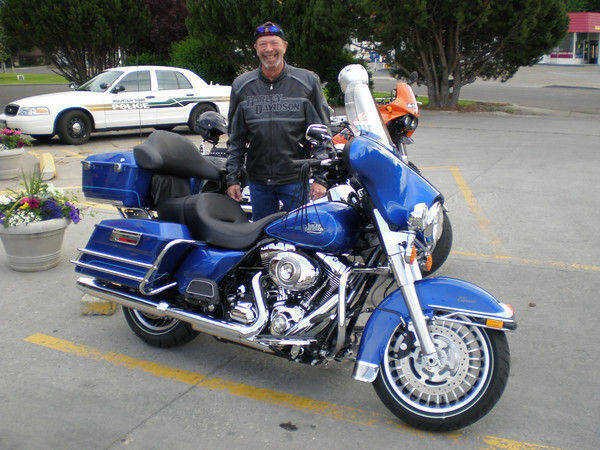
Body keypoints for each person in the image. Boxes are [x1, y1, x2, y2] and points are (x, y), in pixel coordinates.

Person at [225, 21, 331, 221]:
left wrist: (321, 179)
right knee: (263, 234)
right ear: (256, 49)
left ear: (284, 46)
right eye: (263, 44)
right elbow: (235, 138)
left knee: (299, 233)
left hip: (295, 179)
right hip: (258, 182)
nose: (269, 49)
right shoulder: (242, 85)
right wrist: (233, 179)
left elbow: (322, 132)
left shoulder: (307, 82)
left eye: (274, 43)